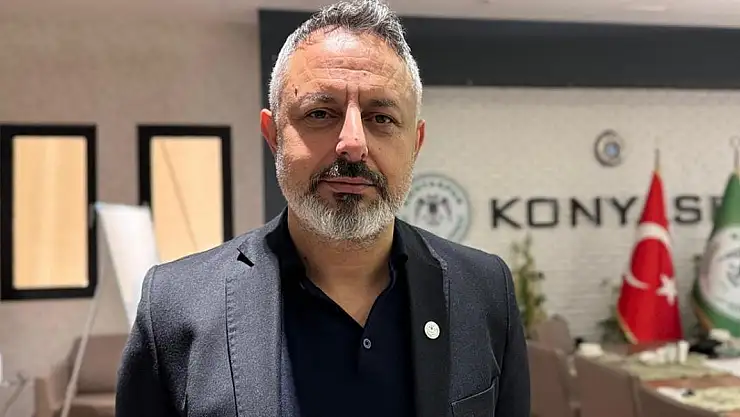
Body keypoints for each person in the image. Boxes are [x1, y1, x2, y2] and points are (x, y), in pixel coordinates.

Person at [115, 0, 530, 416]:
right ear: (274, 136)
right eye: (320, 113)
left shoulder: (484, 290)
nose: (353, 143)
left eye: (381, 118)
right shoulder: (175, 306)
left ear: (415, 144)